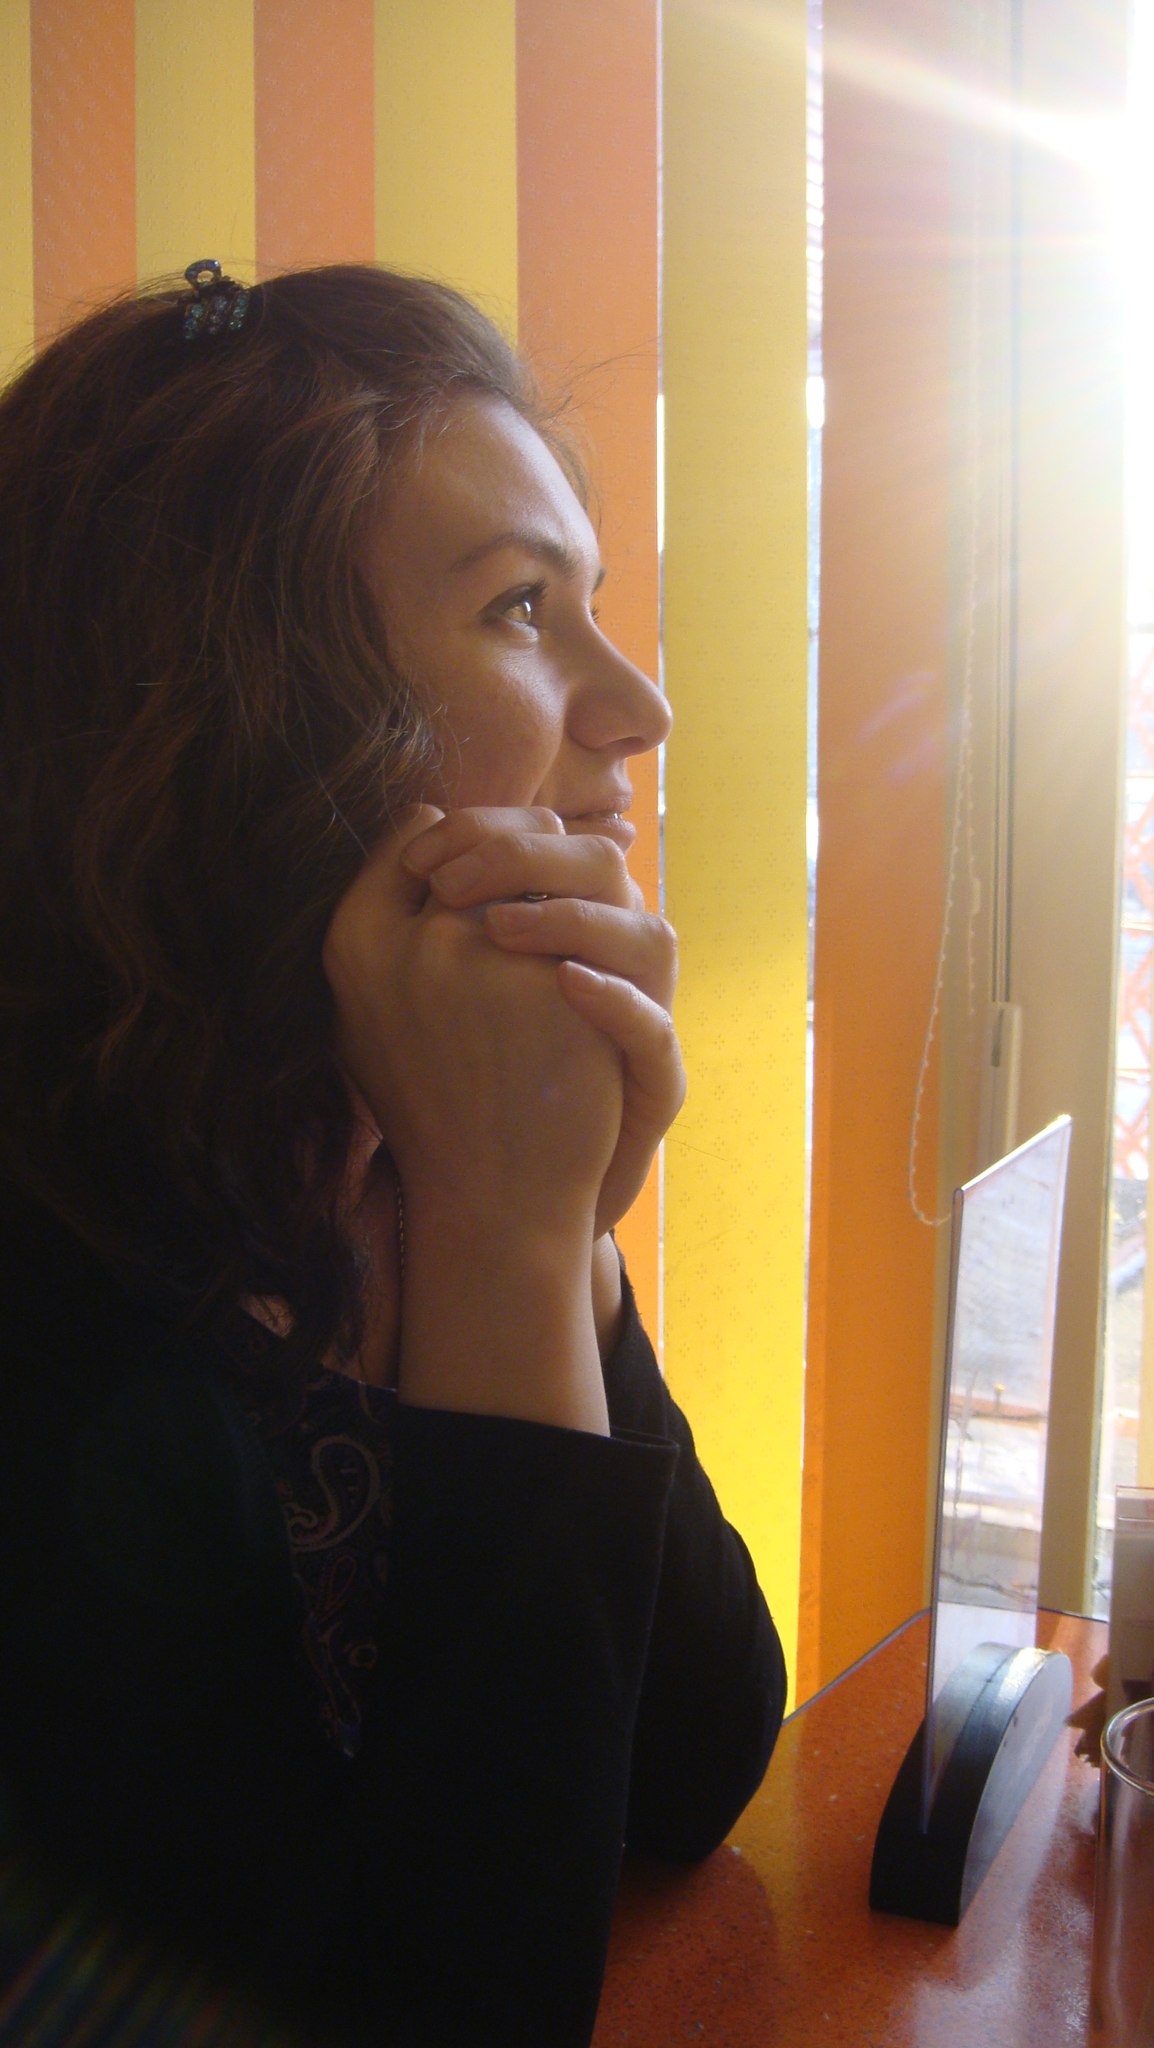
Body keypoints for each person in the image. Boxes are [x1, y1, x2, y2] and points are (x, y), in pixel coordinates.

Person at [0, 261, 787, 2047]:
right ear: (232, 713)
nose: (636, 705)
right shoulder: (51, 1302)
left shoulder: (369, 1148)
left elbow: (689, 1759)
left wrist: (558, 1248)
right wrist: (508, 1240)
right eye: (521, 608)